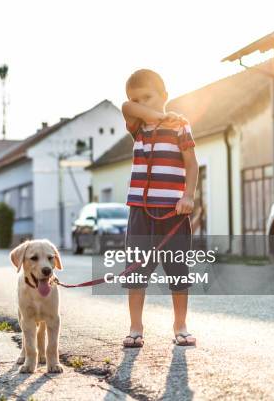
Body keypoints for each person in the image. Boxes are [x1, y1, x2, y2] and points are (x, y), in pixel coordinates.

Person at [120, 69, 198, 347]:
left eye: (148, 97)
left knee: (178, 269)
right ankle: (135, 327)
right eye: (136, 99)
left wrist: (188, 196)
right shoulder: (138, 126)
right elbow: (126, 107)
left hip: (173, 213)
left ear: (164, 95)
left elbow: (191, 163)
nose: (141, 103)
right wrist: (152, 113)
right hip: (141, 212)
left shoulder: (180, 125)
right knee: (136, 270)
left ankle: (180, 325)